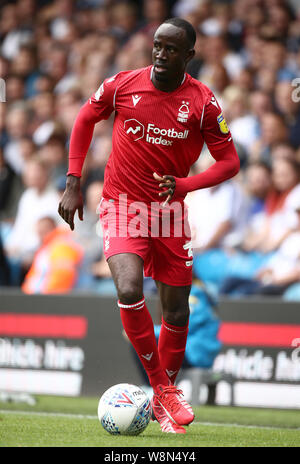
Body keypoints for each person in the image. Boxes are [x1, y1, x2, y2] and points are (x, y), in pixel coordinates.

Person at [58, 17, 240, 434]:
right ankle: (163, 390)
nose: (161, 53)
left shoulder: (203, 103)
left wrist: (185, 185)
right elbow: (85, 119)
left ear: (189, 56)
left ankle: (164, 400)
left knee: (175, 312)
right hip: (122, 206)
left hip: (170, 215)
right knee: (127, 288)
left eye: (171, 48)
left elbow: (230, 162)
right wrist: (72, 182)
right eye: (158, 45)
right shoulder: (123, 84)